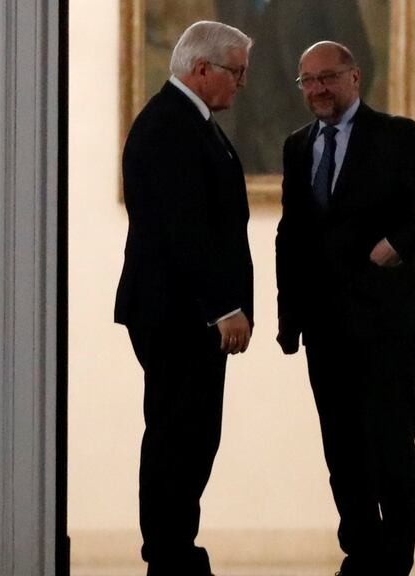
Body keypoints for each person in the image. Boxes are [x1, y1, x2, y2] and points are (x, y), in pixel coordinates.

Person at [275, 41, 415, 576]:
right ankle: (360, 550)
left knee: (389, 441)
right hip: (323, 322)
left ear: (354, 78)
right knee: (340, 444)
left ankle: (396, 560)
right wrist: (287, 315)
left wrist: (400, 243)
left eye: (328, 78)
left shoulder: (395, 135)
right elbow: (290, 233)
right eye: (307, 80)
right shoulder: (297, 146)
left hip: (388, 319)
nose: (317, 89)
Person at [114, 20, 254, 576]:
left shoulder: (187, 121)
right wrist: (222, 305)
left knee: (190, 435)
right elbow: (184, 229)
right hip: (178, 314)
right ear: (202, 69)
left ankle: (175, 547)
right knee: (180, 435)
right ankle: (169, 554)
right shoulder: (173, 125)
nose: (242, 83)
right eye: (236, 72)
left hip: (180, 310)